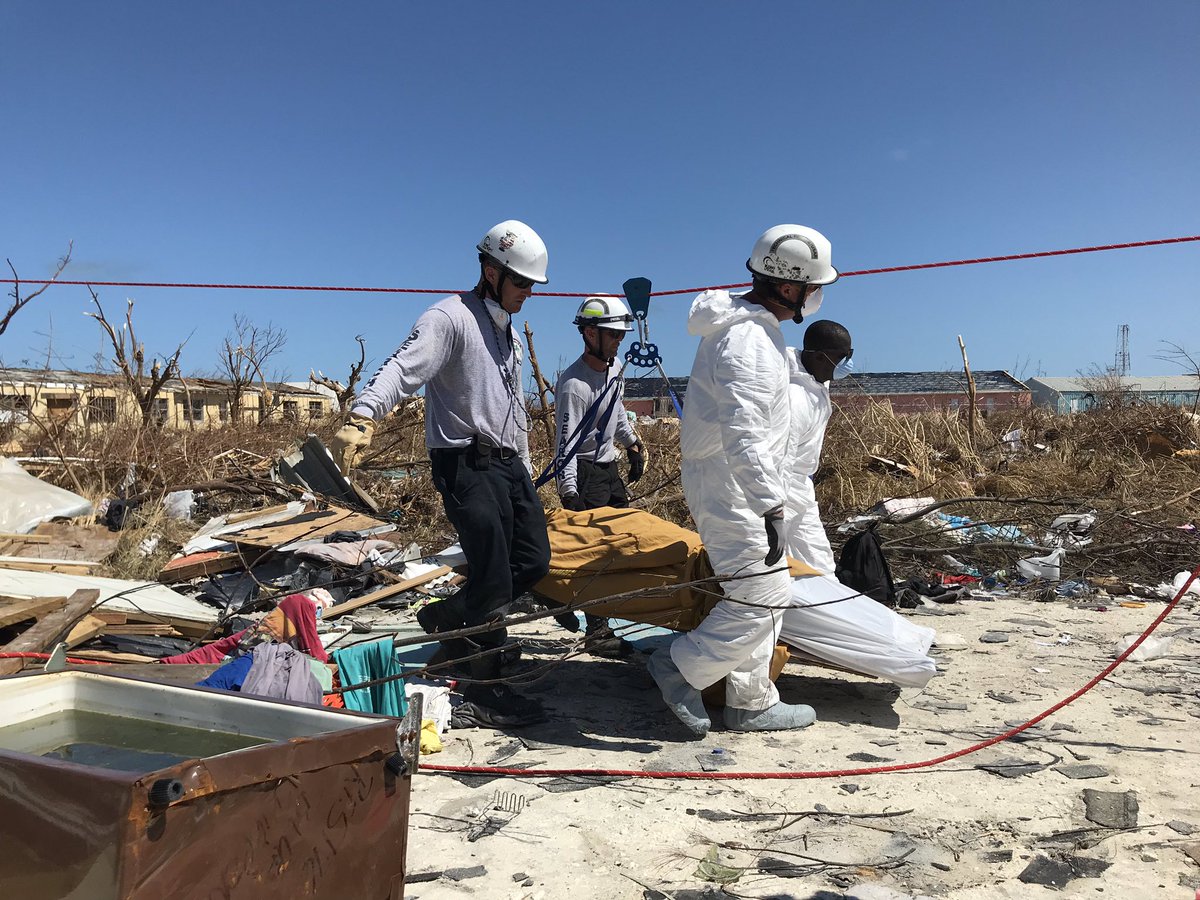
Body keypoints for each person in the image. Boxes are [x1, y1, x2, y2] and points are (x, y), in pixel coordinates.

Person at [331, 220, 552, 727]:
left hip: (507, 464)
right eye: (521, 283)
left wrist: (525, 463)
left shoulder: (507, 334)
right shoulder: (448, 319)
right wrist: (363, 416)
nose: (527, 295)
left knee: (534, 561)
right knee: (494, 577)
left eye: (532, 287)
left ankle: (449, 617)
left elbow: (512, 406)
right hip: (464, 464)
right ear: (491, 271)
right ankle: (482, 685)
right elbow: (403, 368)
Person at [646, 224, 838, 737]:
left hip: (742, 483)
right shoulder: (746, 338)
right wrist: (770, 506)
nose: (816, 296)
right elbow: (745, 431)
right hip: (731, 487)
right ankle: (680, 667)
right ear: (788, 286)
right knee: (765, 593)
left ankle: (751, 701)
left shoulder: (758, 330)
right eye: (813, 286)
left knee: (765, 591)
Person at [553, 296, 646, 657]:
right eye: (613, 336)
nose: (618, 342)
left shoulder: (614, 368)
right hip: (586, 473)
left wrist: (633, 445)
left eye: (621, 336)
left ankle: (578, 609)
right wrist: (569, 491)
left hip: (609, 470)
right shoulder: (574, 385)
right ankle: (596, 630)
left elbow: (617, 413)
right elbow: (566, 444)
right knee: (592, 553)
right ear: (590, 333)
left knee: (617, 546)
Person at [781, 320, 853, 574]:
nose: (847, 362)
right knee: (769, 559)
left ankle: (831, 608)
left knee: (820, 564)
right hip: (782, 487)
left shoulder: (816, 378)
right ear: (820, 357)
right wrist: (773, 509)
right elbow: (780, 456)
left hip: (801, 486)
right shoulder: (794, 397)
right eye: (843, 356)